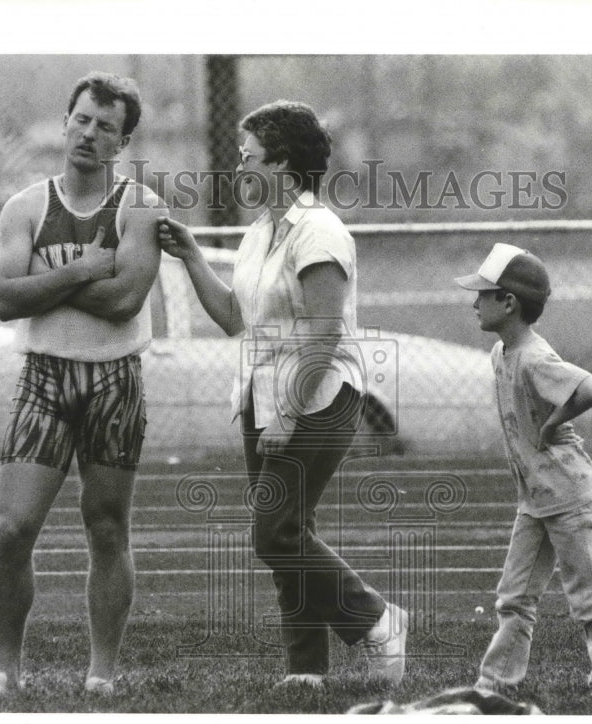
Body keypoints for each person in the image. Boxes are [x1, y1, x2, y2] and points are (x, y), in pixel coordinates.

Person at [156, 100, 408, 687]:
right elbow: (232, 318)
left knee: (274, 533)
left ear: (283, 163)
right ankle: (306, 670)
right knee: (293, 527)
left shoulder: (319, 231)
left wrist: (288, 415)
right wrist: (192, 256)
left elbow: (324, 334)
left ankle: (374, 617)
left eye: (248, 156)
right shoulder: (260, 232)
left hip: (319, 396)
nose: (239, 165)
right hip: (263, 394)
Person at [0, 72, 166, 700]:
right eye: (81, 119)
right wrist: (83, 268)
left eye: (105, 126)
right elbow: (3, 297)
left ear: (122, 140)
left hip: (115, 379)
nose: (89, 133)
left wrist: (45, 283)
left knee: (106, 528)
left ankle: (101, 672)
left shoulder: (140, 207)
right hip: (44, 377)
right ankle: (4, 669)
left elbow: (126, 298)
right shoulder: (25, 206)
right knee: (12, 527)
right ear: (64, 122)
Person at [453, 243, 592, 698]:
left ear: (508, 303)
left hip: (569, 495)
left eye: (484, 294)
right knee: (513, 597)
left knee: (587, 596)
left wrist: (554, 422)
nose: (475, 302)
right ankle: (494, 683)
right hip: (535, 499)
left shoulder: (533, 357)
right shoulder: (501, 353)